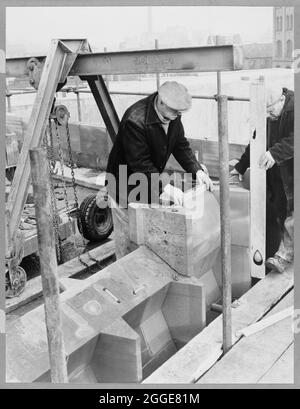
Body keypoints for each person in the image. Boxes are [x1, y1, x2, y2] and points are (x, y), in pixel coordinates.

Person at [100, 81, 213, 259]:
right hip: (124, 185)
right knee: (128, 237)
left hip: (146, 182)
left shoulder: (172, 115)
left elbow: (180, 145)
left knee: (146, 233)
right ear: (160, 102)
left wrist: (196, 170)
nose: (176, 116)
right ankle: (124, 276)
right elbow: (140, 163)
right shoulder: (135, 121)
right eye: (173, 112)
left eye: (179, 113)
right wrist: (165, 188)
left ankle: (145, 271)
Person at [230, 87, 294, 274]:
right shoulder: (270, 115)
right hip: (281, 177)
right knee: (283, 213)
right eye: (264, 111)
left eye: (270, 109)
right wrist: (240, 168)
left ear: (282, 100)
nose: (268, 114)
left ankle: (284, 256)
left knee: (294, 215)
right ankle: (287, 254)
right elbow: (256, 143)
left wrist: (274, 153)